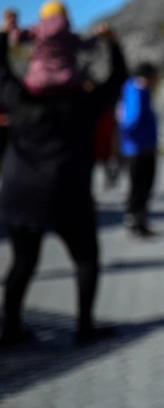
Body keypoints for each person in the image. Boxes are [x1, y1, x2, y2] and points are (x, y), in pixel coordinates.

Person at [0, 20, 126, 345]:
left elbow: (1, 73)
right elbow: (116, 80)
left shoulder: (18, 99)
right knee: (85, 260)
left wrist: (4, 35)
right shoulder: (83, 103)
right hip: (69, 194)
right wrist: (111, 44)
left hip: (20, 194)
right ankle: (84, 327)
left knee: (23, 263)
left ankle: (10, 327)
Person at [3, 0, 99, 95]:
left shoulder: (37, 29)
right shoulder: (69, 34)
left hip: (38, 83)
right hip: (68, 82)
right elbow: (87, 46)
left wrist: (12, 22)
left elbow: (16, 37)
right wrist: (97, 35)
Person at [118, 61, 160, 238]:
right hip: (140, 147)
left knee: (137, 186)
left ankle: (137, 221)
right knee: (141, 186)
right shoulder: (139, 91)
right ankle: (136, 222)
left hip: (133, 147)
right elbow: (131, 118)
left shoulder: (129, 88)